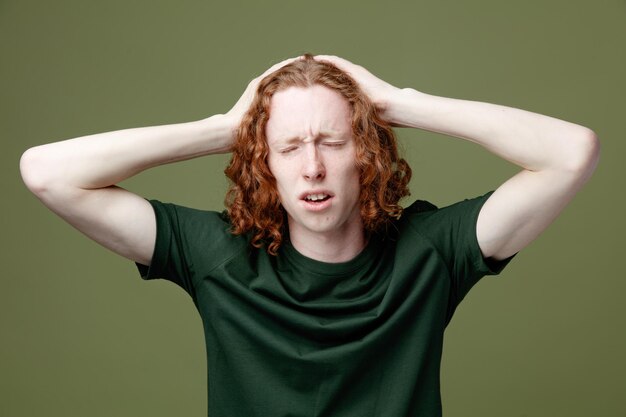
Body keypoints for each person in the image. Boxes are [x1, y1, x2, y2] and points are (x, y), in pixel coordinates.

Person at [20, 54, 599, 416]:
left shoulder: (430, 252)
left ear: (365, 154)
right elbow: (46, 173)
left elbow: (571, 154)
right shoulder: (217, 257)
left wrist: (399, 102)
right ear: (263, 162)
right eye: (290, 146)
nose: (313, 167)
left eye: (333, 141)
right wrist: (224, 127)